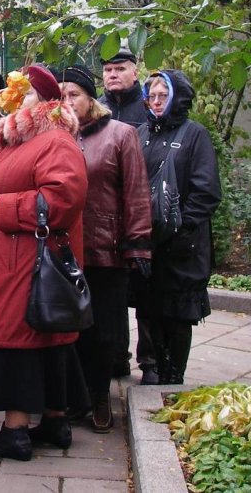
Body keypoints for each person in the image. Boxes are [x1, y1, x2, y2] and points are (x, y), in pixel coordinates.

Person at [0, 64, 88, 462]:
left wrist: (9, 208)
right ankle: (55, 421)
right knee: (45, 343)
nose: (13, 100)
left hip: (27, 264)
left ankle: (15, 432)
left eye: (25, 94)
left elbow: (63, 199)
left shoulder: (54, 139)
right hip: (17, 261)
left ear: (46, 102)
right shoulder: (17, 139)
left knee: (21, 345)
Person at [60, 65, 152, 432]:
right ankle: (75, 397)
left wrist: (138, 245)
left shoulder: (120, 134)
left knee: (104, 331)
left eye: (74, 95)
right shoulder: (55, 134)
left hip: (105, 250)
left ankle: (100, 397)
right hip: (65, 251)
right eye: (62, 96)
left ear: (90, 97)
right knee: (70, 328)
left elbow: (136, 192)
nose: (67, 102)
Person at [141, 70, 221, 385]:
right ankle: (154, 368)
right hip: (149, 241)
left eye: (163, 95)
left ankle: (174, 375)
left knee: (178, 313)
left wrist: (182, 225)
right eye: (152, 96)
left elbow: (207, 190)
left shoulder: (194, 134)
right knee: (150, 309)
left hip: (183, 243)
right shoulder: (140, 134)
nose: (157, 102)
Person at [98, 47, 152, 381]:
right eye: (107, 70)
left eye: (120, 68)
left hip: (136, 210)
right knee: (111, 297)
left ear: (135, 71)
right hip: (104, 217)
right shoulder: (97, 108)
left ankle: (149, 360)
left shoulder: (146, 108)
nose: (113, 75)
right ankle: (116, 356)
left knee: (144, 294)